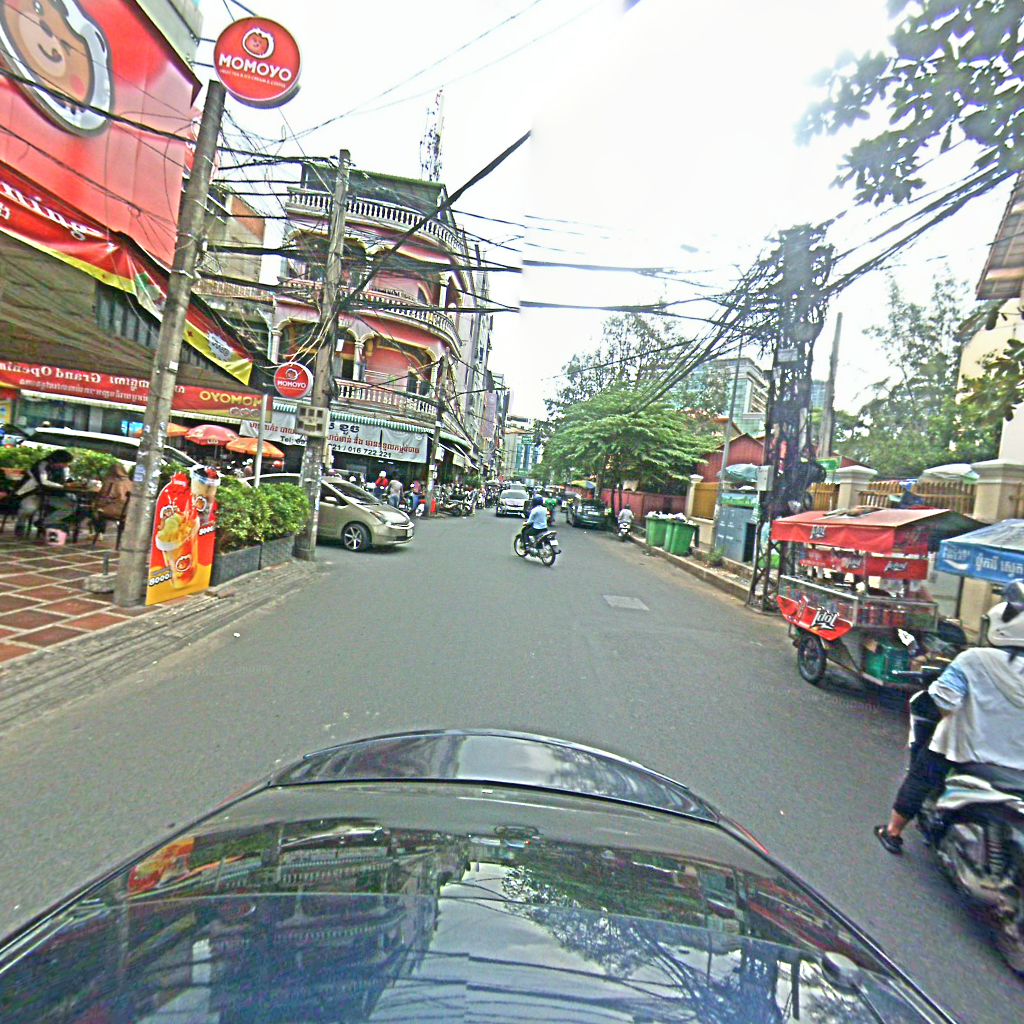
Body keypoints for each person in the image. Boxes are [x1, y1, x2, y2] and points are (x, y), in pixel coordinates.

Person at [874, 583, 1024, 855]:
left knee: (922, 774)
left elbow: (942, 700)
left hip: (966, 749)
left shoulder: (974, 659)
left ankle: (893, 831)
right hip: (1016, 761)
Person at [15, 448, 74, 534]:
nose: (66, 465)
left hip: (50, 495)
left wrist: (70, 483)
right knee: (29, 509)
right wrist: (62, 486)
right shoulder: (42, 465)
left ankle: (44, 522)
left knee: (69, 507)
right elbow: (43, 481)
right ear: (57, 460)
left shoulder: (62, 469)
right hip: (32, 493)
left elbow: (65, 480)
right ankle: (20, 523)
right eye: (65, 463)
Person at [93, 462, 132, 528]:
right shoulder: (129, 482)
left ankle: (99, 531)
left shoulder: (110, 481)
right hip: (125, 512)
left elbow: (106, 497)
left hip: (111, 510)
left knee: (91, 510)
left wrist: (96, 504)